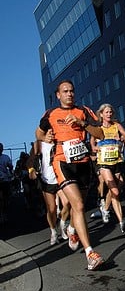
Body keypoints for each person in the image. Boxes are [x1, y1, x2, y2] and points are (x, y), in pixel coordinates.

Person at [35, 79, 105, 270]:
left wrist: (82, 123)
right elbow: (38, 133)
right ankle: (90, 253)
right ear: (58, 95)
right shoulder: (50, 114)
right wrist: (46, 137)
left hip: (82, 164)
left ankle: (72, 229)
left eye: (72, 91)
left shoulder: (84, 111)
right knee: (79, 205)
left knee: (78, 207)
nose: (69, 94)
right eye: (65, 91)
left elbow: (100, 134)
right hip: (62, 162)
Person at [91, 103, 125, 235]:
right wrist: (97, 148)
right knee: (115, 190)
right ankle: (122, 222)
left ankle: (106, 209)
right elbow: (92, 145)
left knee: (117, 187)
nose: (109, 114)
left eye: (110, 112)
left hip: (117, 161)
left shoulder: (116, 126)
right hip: (103, 163)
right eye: (106, 112)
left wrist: (121, 138)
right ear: (101, 114)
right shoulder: (98, 128)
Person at [29, 132, 71, 245]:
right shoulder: (39, 144)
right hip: (46, 181)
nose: (51, 135)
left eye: (52, 133)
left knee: (67, 202)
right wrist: (32, 170)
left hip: (60, 178)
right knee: (51, 209)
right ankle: (53, 231)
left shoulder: (58, 143)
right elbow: (31, 161)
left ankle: (62, 223)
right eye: (48, 133)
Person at [0, 142, 13, 223]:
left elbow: (10, 166)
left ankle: (3, 213)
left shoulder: (6, 157)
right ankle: (1, 214)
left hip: (4, 179)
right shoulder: (6, 157)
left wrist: (10, 170)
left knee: (5, 197)